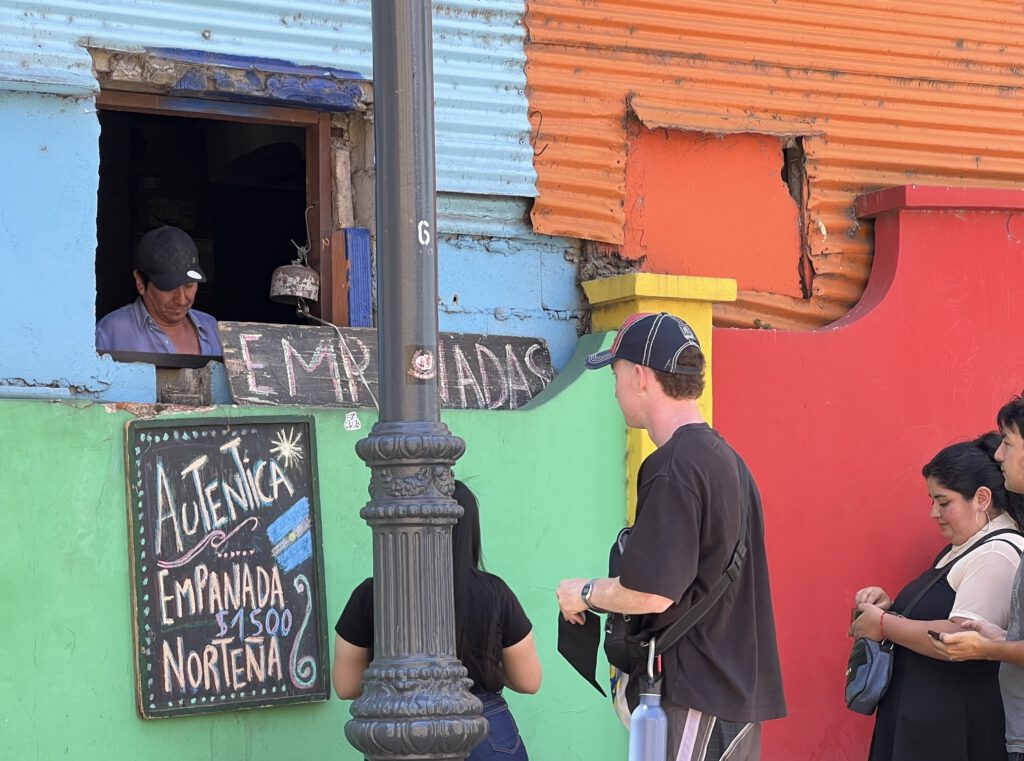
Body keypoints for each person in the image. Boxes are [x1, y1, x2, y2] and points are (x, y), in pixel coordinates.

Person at [556, 312, 786, 761]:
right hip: (726, 694)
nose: (615, 388)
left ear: (641, 376)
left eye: (617, 374)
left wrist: (584, 592)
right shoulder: (726, 459)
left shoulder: (673, 465)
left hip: (697, 694)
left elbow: (652, 595)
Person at [332, 480, 542, 760]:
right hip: (487, 732)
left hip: (402, 730)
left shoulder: (371, 593)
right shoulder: (495, 592)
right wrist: (485, 667)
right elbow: (528, 680)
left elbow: (346, 685)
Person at [851, 432, 1024, 761]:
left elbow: (961, 637)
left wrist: (885, 624)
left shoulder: (997, 552)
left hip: (953, 733)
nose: (934, 513)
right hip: (924, 727)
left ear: (982, 499)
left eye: (944, 502)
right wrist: (894, 609)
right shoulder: (963, 547)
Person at [932, 396, 1024, 761]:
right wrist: (1000, 638)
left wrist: (988, 649)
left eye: (1009, 442)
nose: (998, 455)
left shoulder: (999, 548)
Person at [95, 225, 221, 355]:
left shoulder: (212, 329)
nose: (182, 300)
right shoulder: (110, 333)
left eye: (189, 285)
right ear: (140, 282)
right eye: (169, 287)